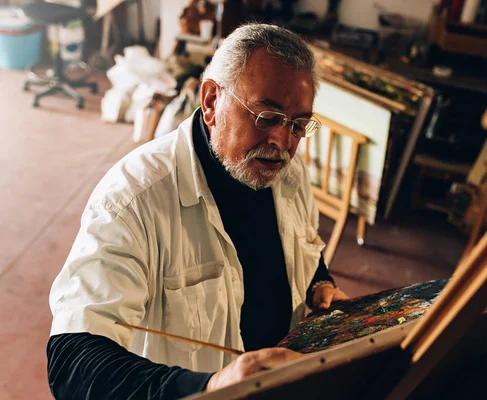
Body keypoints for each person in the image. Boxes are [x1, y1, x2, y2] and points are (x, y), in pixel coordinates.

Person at [47, 23, 349, 399]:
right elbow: (71, 362)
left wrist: (320, 282)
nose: (282, 142)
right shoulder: (133, 198)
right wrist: (211, 386)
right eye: (267, 117)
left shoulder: (288, 172)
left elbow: (304, 245)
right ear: (210, 102)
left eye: (299, 125)